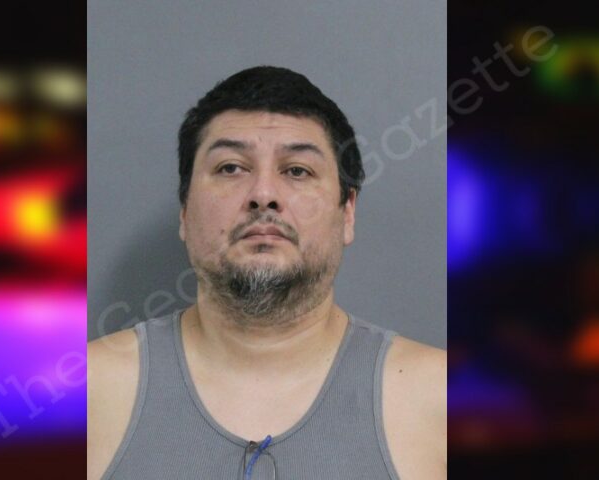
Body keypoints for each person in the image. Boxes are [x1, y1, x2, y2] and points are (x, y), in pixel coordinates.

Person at [88, 66, 446, 480]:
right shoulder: (86, 394)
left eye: (297, 170)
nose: (263, 195)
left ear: (347, 212)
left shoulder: (439, 399)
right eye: (231, 168)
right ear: (184, 210)